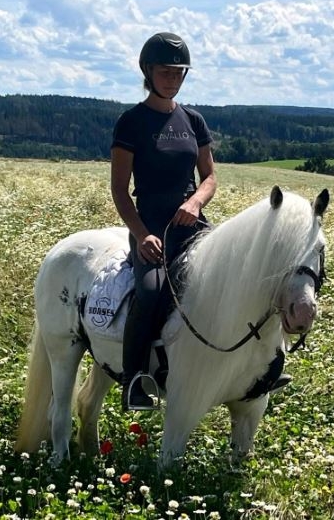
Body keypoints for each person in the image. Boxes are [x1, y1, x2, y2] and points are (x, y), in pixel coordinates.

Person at [110, 32, 217, 411]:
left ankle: (250, 368)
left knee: (232, 276)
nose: (173, 79)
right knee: (153, 292)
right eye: (165, 72)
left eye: (178, 73)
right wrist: (142, 236)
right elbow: (121, 192)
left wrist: (196, 201)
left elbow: (209, 177)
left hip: (193, 225)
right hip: (151, 228)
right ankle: (134, 380)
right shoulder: (131, 123)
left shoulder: (193, 120)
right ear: (148, 73)